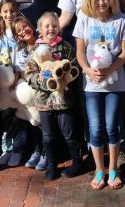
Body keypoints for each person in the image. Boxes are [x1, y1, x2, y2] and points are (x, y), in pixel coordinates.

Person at [58, 0, 125, 168]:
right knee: (93, 118)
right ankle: (97, 163)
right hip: (89, 61)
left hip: (117, 51)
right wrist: (43, 39)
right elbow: (65, 17)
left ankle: (118, 156)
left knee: (117, 112)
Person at [73, 0, 125, 190]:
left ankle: (114, 169)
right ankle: (100, 170)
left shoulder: (121, 20)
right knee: (96, 129)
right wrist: (88, 70)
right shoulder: (84, 19)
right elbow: (80, 52)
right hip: (92, 84)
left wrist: (110, 70)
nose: (101, 2)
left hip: (115, 83)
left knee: (112, 127)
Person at [24, 12, 82, 180]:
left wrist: (66, 77)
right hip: (44, 102)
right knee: (48, 135)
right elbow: (29, 73)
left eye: (54, 25)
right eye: (47, 26)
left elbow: (74, 67)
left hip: (63, 100)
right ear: (40, 29)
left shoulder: (65, 47)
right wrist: (41, 80)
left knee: (69, 132)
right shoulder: (35, 49)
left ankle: (77, 161)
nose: (51, 29)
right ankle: (51, 164)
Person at [0, 0, 28, 167]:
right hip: (1, 80)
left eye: (12, 10)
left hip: (17, 79)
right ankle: (7, 149)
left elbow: (24, 56)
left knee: (18, 114)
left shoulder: (20, 30)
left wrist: (17, 77)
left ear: (17, 11)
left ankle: (18, 150)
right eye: (5, 11)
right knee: (4, 115)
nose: (9, 14)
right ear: (0, 13)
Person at [12, 15, 46, 171]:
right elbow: (20, 72)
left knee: (45, 123)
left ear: (31, 26)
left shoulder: (43, 43)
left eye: (25, 27)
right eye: (19, 31)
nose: (23, 31)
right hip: (29, 91)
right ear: (17, 36)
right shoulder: (21, 51)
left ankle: (46, 152)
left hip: (44, 90)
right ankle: (37, 150)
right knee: (33, 121)